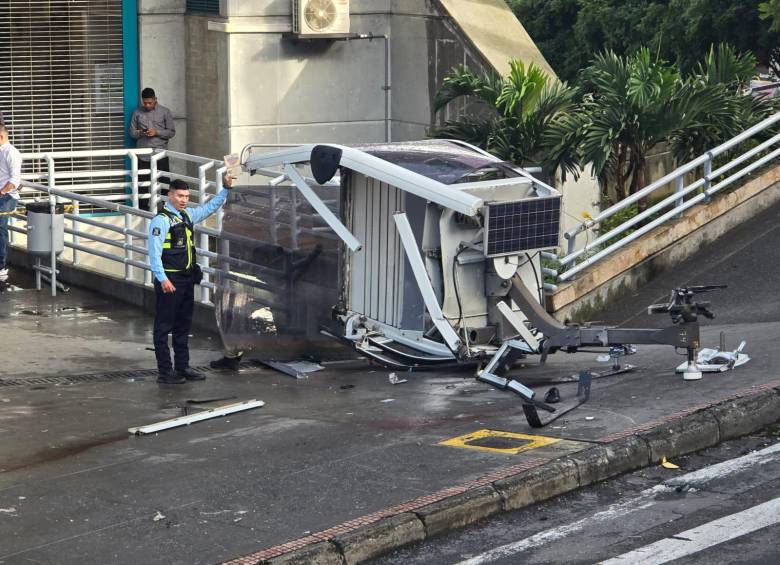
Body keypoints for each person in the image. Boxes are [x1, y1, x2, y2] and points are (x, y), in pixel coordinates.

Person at [149, 174, 233, 384]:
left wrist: (226, 188)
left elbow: (209, 208)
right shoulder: (161, 220)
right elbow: (154, 252)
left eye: (186, 196)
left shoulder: (187, 215)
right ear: (170, 195)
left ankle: (183, 366)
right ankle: (165, 371)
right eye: (179, 195)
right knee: (163, 327)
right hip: (170, 281)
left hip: (186, 280)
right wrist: (162, 278)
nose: (184, 199)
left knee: (183, 325)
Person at [129, 87, 176, 209]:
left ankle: (167, 210)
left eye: (150, 102)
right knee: (142, 186)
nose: (147, 105)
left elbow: (171, 132)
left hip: (160, 155)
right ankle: (142, 212)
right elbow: (132, 133)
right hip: (143, 156)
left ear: (155, 99)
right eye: (145, 103)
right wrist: (141, 133)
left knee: (165, 184)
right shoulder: (137, 112)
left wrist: (157, 132)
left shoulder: (165, 112)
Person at [0, 125, 22, 284]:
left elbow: (14, 181)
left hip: (7, 197)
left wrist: (1, 192)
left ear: (1, 137)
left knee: (0, 229)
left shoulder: (11, 153)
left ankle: (1, 267)